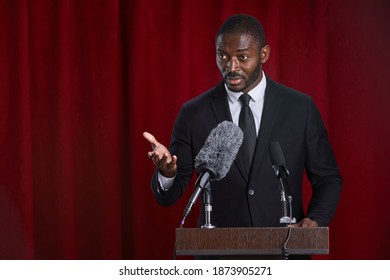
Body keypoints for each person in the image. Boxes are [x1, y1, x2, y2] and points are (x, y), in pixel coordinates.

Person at [143, 14, 342, 231]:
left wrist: (315, 219)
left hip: (285, 250)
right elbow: (170, 196)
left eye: (242, 57)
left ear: (263, 54)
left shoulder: (300, 108)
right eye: (223, 56)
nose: (231, 66)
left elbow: (327, 178)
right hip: (219, 256)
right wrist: (167, 173)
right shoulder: (193, 114)